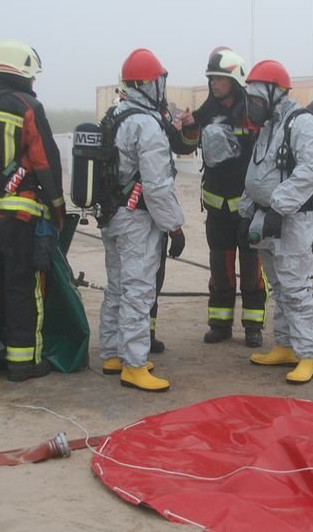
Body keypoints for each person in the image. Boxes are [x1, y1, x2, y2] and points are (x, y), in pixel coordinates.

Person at [0, 40, 65, 385]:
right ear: (25, 72)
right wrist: (58, 206)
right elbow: (44, 161)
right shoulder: (26, 105)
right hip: (16, 218)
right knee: (21, 288)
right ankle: (23, 364)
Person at [97, 48, 186, 392]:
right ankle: (133, 364)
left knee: (117, 286)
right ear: (150, 84)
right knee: (138, 289)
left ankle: (112, 353)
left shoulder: (115, 115)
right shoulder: (146, 124)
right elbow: (157, 184)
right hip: (136, 219)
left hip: (114, 215)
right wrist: (175, 226)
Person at [238, 59, 313, 384]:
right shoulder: (271, 125)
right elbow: (258, 173)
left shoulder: (302, 124)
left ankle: (306, 355)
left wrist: (278, 207)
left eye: (257, 99)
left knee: (295, 287)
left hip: (294, 220)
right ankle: (286, 345)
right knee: (279, 286)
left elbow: (308, 172)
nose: (252, 106)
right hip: (268, 216)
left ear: (274, 94)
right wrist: (248, 211)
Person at [182, 48, 266, 348]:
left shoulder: (253, 113)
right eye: (211, 79)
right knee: (220, 266)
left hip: (247, 208)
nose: (214, 84)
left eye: (220, 78)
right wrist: (189, 127)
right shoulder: (204, 113)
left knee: (252, 267)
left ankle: (253, 326)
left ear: (235, 80)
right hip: (217, 208)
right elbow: (184, 148)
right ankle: (220, 323)